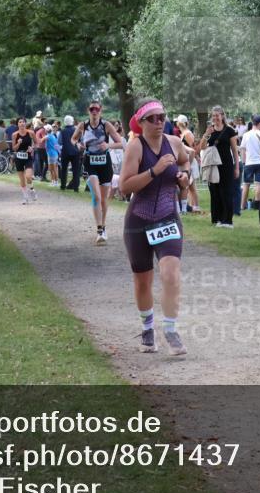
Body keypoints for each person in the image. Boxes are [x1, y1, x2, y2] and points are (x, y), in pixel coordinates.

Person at [120, 98, 191, 356]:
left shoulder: (173, 142)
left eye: (163, 117)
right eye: (154, 118)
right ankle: (148, 327)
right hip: (138, 220)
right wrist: (154, 170)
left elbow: (185, 160)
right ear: (141, 122)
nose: (160, 122)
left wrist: (185, 176)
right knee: (142, 282)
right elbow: (124, 187)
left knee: (171, 274)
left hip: (168, 217)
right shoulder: (135, 147)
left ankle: (170, 329)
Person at [73, 101, 125, 244]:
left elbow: (121, 143)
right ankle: (99, 230)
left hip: (105, 164)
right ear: (88, 111)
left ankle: (103, 225)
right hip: (90, 163)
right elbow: (73, 138)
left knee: (103, 198)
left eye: (97, 109)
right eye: (92, 109)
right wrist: (77, 144)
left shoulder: (106, 125)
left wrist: (108, 145)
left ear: (101, 110)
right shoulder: (83, 125)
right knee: (96, 196)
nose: (94, 111)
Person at [198, 106, 240, 228]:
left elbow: (234, 151)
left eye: (217, 115)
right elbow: (202, 147)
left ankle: (227, 221)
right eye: (213, 115)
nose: (215, 117)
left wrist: (236, 167)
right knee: (215, 192)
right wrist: (206, 134)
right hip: (213, 165)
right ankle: (217, 219)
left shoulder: (229, 131)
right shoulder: (209, 131)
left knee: (226, 192)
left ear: (222, 116)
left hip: (226, 165)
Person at [240, 115, 260, 211]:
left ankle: (242, 206)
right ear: (259, 124)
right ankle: (256, 206)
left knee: (246, 184)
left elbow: (242, 149)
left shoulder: (246, 135)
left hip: (249, 163)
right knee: (258, 184)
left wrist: (243, 162)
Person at [11, 118, 36, 204]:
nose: (22, 124)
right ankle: (25, 197)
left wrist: (32, 148)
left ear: (25, 123)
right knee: (22, 180)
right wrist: (18, 143)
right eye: (20, 122)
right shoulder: (15, 134)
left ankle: (32, 189)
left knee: (28, 176)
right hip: (19, 158)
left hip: (28, 157)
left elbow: (36, 143)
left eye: (23, 122)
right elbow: (14, 148)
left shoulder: (31, 133)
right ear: (17, 124)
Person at [59, 115, 81, 192]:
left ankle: (62, 186)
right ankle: (76, 188)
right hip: (75, 152)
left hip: (65, 151)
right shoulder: (76, 130)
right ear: (72, 121)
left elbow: (60, 142)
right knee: (76, 170)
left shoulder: (62, 131)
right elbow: (80, 140)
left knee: (64, 170)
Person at [45, 123, 61, 187]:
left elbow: (41, 141)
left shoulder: (49, 136)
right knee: (53, 169)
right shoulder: (53, 136)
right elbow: (56, 146)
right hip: (53, 154)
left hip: (52, 154)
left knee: (53, 169)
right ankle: (54, 182)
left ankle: (55, 182)